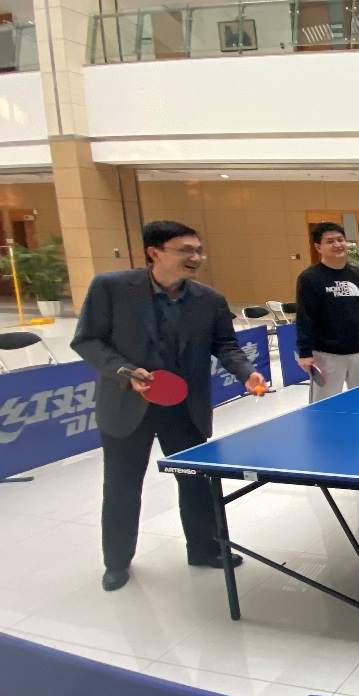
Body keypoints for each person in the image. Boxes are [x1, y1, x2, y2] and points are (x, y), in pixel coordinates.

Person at [71, 220, 266, 592]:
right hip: (127, 405)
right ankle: (116, 562)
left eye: (198, 250)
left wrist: (246, 373)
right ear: (154, 253)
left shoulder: (209, 299)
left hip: (184, 407)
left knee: (196, 481)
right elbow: (87, 340)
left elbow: (226, 345)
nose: (196, 257)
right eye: (185, 250)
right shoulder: (110, 288)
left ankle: (205, 549)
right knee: (122, 486)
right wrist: (124, 371)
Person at [296, 222, 359, 402]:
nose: (337, 244)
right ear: (318, 247)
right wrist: (305, 353)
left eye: (340, 240)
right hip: (326, 355)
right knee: (325, 407)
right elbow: (305, 317)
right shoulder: (309, 278)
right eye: (330, 241)